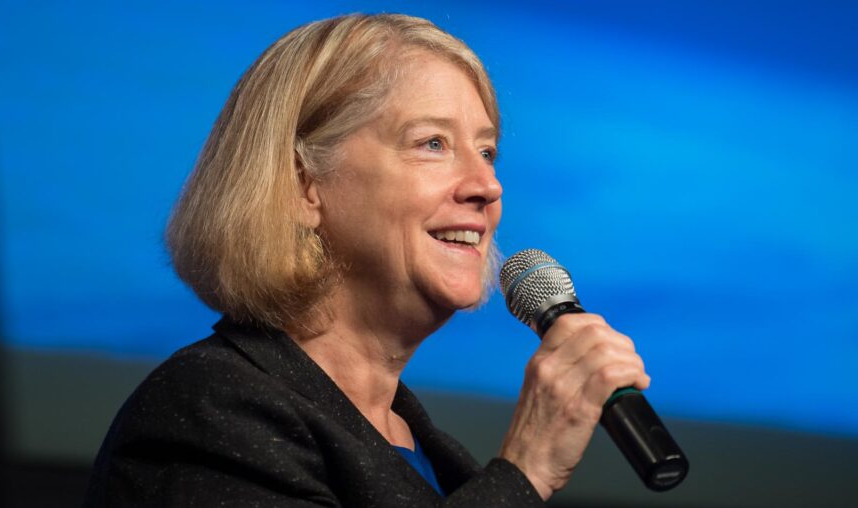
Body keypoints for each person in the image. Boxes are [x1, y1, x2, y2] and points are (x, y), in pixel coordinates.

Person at [85, 13, 649, 507]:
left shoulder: (435, 456)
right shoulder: (211, 412)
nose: (488, 186)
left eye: (487, 151)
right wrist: (526, 470)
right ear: (304, 184)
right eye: (432, 143)